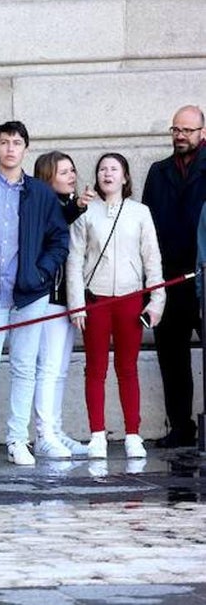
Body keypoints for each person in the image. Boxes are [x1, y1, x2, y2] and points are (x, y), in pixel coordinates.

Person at [0, 121, 69, 466]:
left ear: (25, 148)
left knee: (24, 367)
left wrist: (42, 271)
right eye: (4, 142)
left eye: (16, 142)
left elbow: (59, 239)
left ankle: (17, 440)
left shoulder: (41, 193)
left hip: (30, 293)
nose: (10, 148)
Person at [68, 153, 165, 460]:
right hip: (95, 301)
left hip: (130, 300)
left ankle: (132, 435)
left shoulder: (140, 212)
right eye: (102, 169)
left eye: (114, 169)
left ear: (125, 177)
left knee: (128, 369)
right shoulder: (85, 213)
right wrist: (76, 305)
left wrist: (157, 301)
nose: (107, 174)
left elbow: (152, 258)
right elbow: (74, 260)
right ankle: (97, 435)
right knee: (95, 369)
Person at [141, 104, 206, 448]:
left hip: (203, 278)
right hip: (168, 280)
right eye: (176, 129)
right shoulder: (158, 171)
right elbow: (147, 228)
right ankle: (181, 427)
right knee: (172, 358)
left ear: (202, 133)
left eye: (188, 130)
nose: (180, 135)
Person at [32, 151, 95, 459]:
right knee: (47, 367)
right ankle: (44, 434)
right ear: (47, 177)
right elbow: (54, 229)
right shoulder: (45, 207)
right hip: (46, 297)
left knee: (58, 369)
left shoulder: (66, 207)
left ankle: (55, 430)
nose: (72, 175)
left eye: (73, 170)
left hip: (66, 297)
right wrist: (76, 207)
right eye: (64, 172)